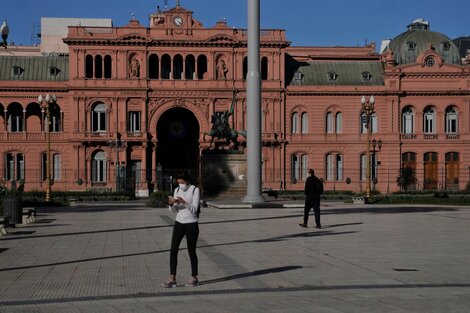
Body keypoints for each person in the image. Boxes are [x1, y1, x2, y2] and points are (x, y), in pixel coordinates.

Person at [162, 172, 201, 288]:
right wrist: (171, 204)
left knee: (191, 250)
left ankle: (194, 277)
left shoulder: (195, 190)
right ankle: (172, 278)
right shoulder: (177, 190)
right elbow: (173, 211)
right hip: (179, 223)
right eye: (178, 182)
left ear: (187, 181)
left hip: (191, 224)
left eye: (182, 182)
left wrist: (183, 202)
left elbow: (194, 209)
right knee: (173, 250)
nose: (180, 184)